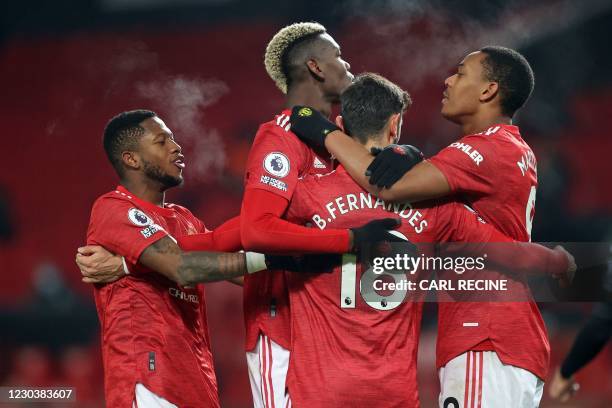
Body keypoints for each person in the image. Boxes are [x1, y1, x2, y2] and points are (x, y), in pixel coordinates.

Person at [284, 72, 575, 407]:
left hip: (317, 388)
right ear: (395, 126)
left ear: (340, 122)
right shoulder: (437, 209)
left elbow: (252, 243)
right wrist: (557, 260)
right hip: (392, 392)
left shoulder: (306, 196)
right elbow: (508, 253)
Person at [80, 110, 336, 407]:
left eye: (174, 139)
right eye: (161, 142)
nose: (176, 147)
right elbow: (183, 268)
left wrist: (299, 242)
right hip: (149, 377)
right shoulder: (113, 207)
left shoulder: (184, 219)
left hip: (197, 383)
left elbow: (239, 268)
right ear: (131, 159)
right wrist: (272, 259)